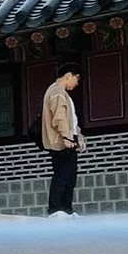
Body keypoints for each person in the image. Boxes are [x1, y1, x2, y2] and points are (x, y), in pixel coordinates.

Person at [41, 61, 84, 216]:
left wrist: (78, 137)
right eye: (77, 78)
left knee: (69, 176)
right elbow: (59, 117)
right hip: (62, 141)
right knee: (63, 175)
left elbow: (71, 120)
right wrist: (66, 136)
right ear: (68, 75)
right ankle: (56, 209)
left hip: (68, 139)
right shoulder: (57, 92)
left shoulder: (60, 92)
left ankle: (66, 209)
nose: (77, 83)